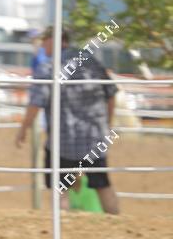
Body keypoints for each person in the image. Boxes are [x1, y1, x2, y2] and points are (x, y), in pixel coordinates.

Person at [15, 27, 120, 214]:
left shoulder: (48, 68)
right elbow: (111, 94)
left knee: (61, 188)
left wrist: (23, 129)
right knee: (102, 185)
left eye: (44, 41)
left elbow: (35, 103)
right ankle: (117, 225)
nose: (42, 46)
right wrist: (107, 125)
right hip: (93, 139)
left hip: (63, 141)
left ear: (54, 40)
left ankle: (62, 225)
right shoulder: (90, 61)